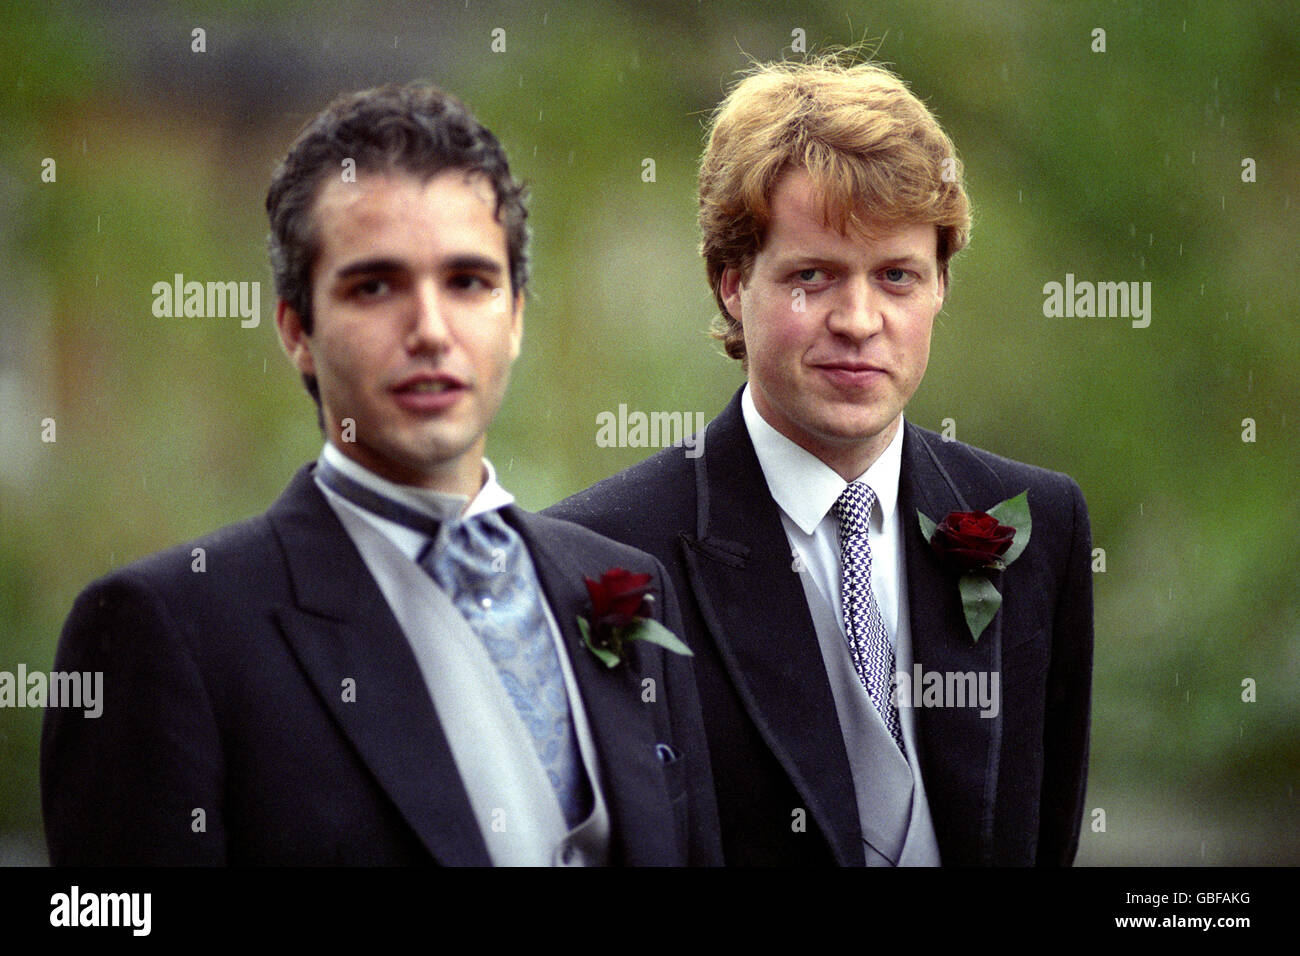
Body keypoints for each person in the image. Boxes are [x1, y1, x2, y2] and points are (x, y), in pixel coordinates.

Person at [41, 83, 721, 867]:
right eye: (375, 286)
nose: (430, 330)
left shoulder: (624, 587)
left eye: (468, 282)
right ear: (297, 330)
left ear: (517, 317)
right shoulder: (166, 631)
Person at [547, 58, 1093, 866]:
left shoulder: (1036, 524)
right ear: (732, 283)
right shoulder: (595, 558)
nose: (860, 320)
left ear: (941, 285)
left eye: (897, 276)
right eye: (814, 277)